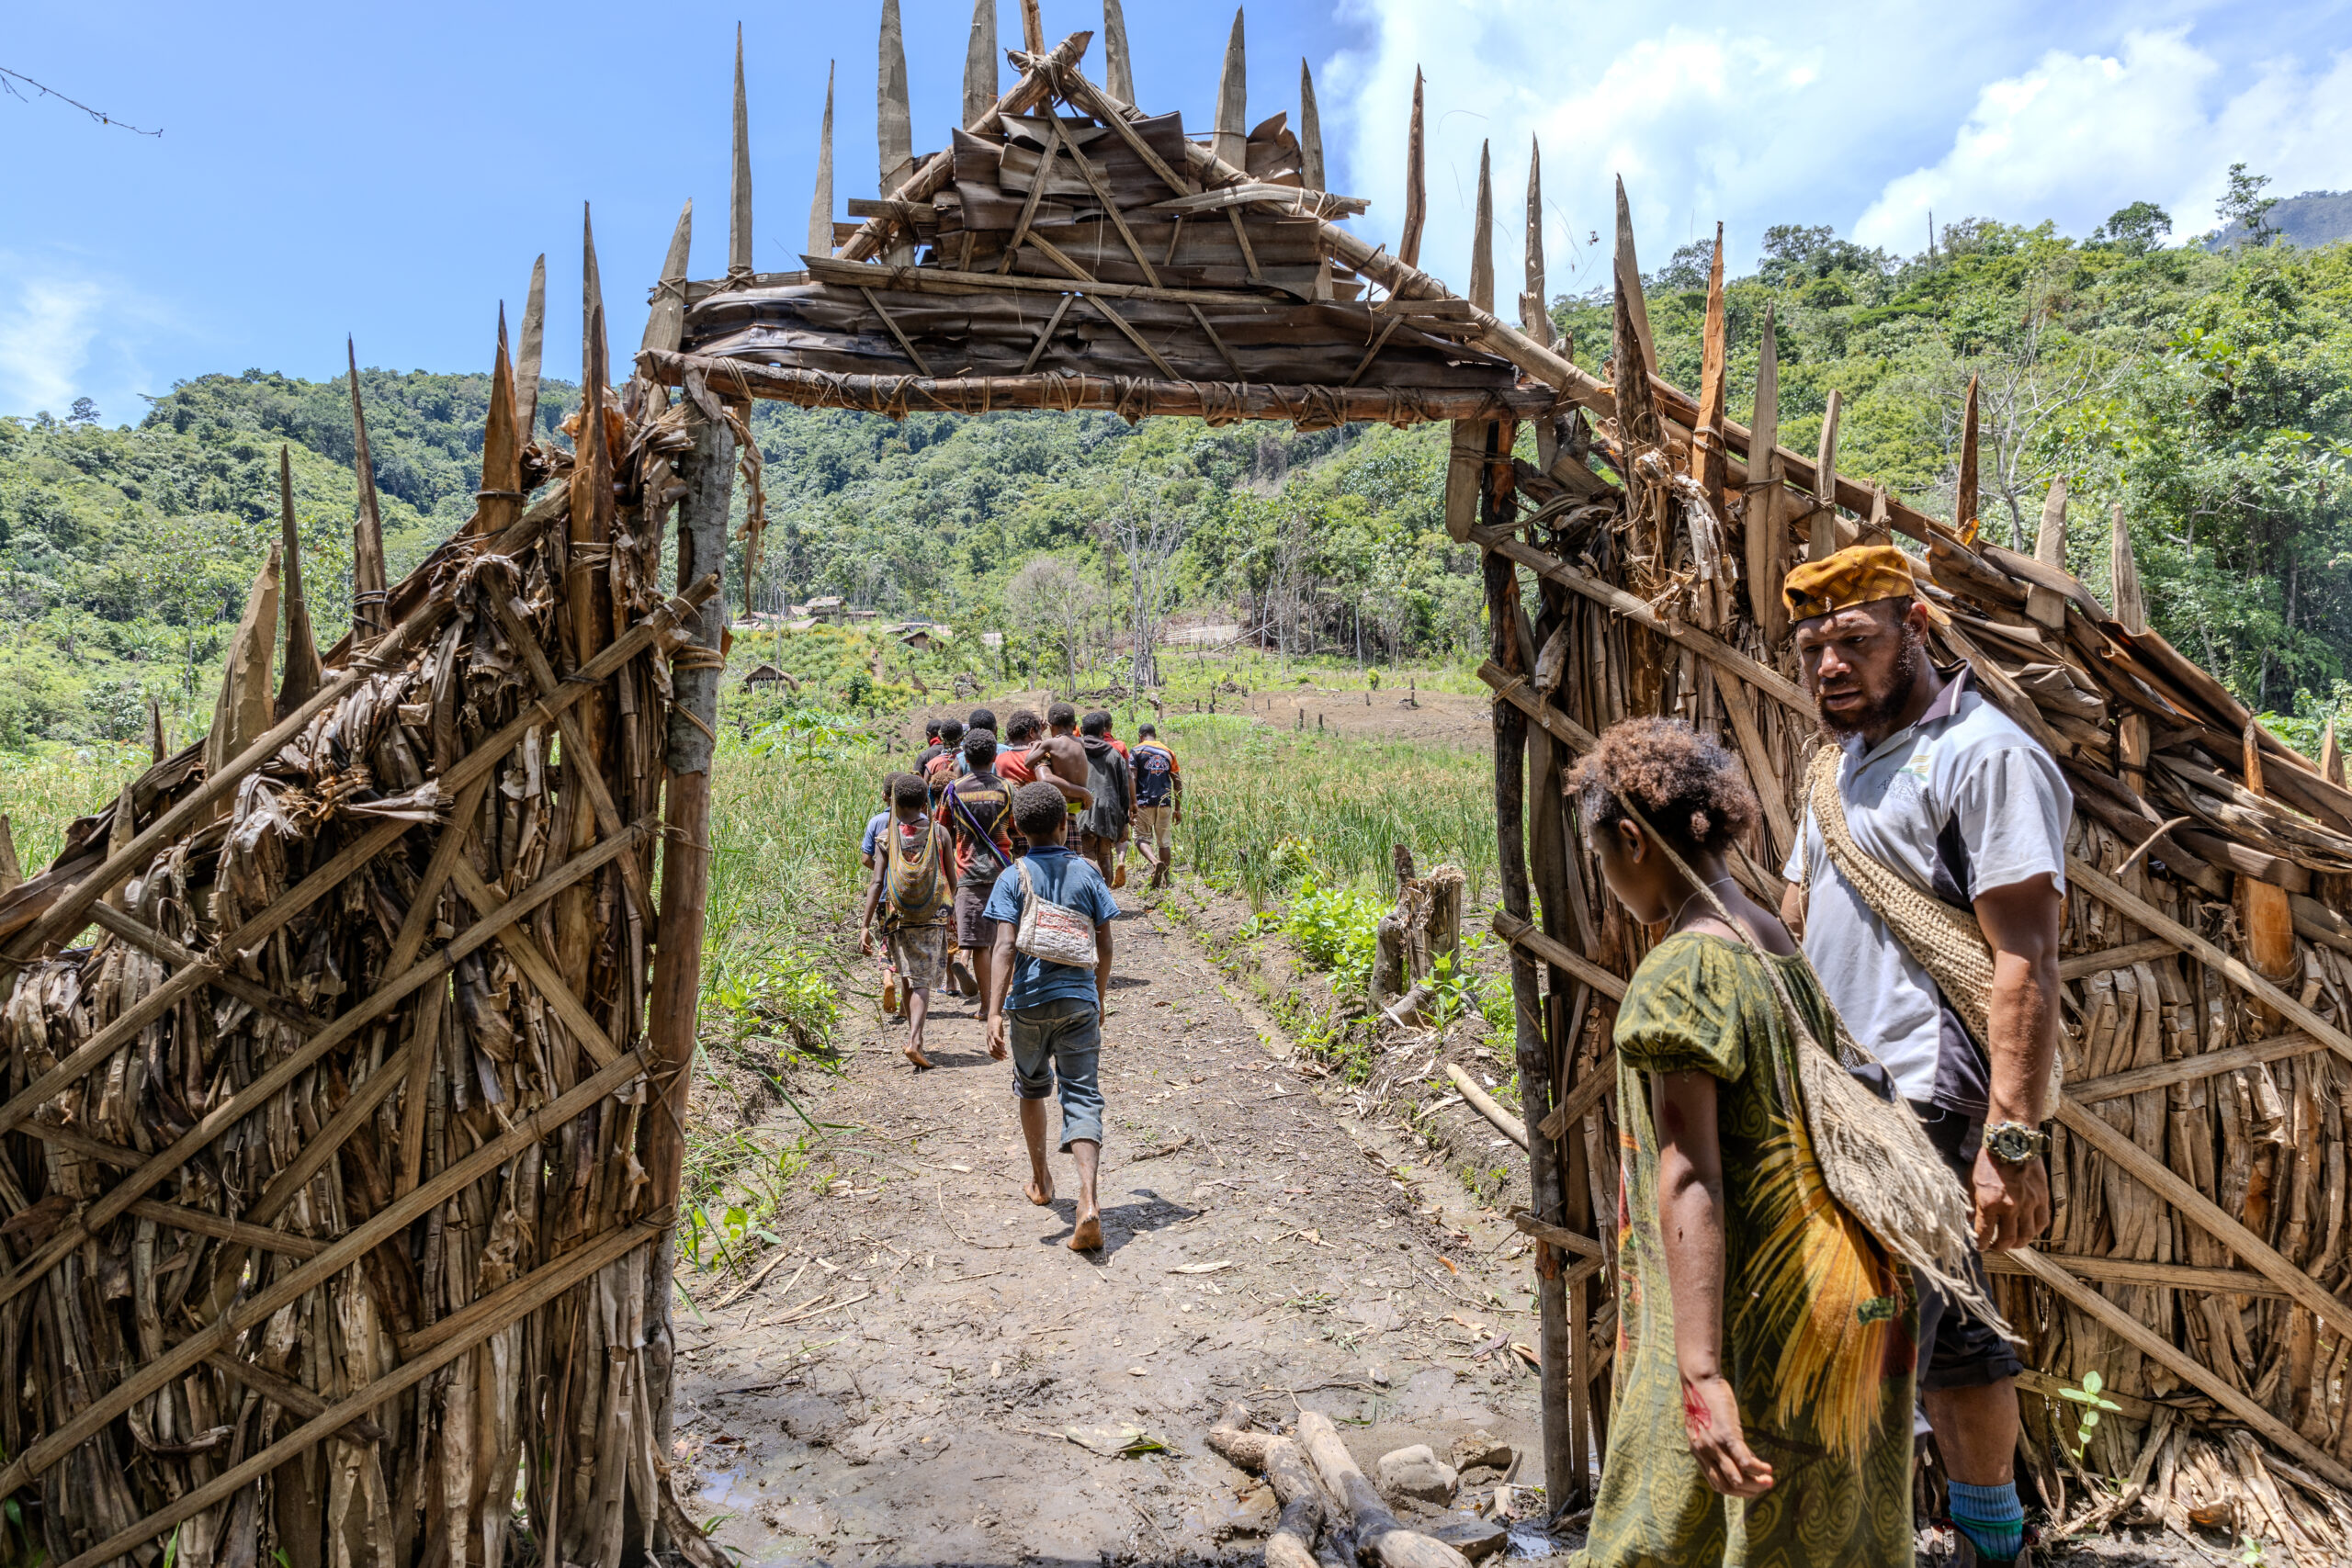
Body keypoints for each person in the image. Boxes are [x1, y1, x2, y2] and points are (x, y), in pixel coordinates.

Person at [1566, 717, 1917, 1568]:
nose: (1605, 880)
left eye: (1601, 860)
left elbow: (1691, 1173)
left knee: (1658, 1534)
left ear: (1629, 840)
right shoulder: (1774, 942)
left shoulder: (1685, 970)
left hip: (1759, 1320)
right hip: (1845, 1300)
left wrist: (1699, 1371)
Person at [1777, 545, 2065, 1568]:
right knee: (1929, 1329)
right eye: (1814, 648)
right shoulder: (1835, 767)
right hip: (1840, 1095)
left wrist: (2012, 1141)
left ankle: (1942, 1544)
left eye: (1854, 642)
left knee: (1906, 1338)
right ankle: (1950, 1539)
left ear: (1919, 633)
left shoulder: (1981, 757)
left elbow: (2023, 956)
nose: (1829, 668)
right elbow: (1797, 921)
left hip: (1925, 1097)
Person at [982, 781, 1119, 1251]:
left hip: (1029, 1004)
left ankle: (1041, 1180)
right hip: (1079, 1000)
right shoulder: (1086, 873)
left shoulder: (1010, 877)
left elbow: (1002, 946)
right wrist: (1097, 997)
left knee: (1032, 1087)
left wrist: (993, 1012)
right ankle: (1088, 1200)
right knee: (1082, 1095)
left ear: (1016, 828)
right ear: (1067, 824)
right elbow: (1104, 944)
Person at [858, 773, 954, 1069]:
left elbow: (877, 883)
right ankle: (915, 1040)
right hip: (932, 913)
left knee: (909, 975)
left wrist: (864, 924)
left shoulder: (886, 837)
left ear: (894, 803)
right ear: (925, 801)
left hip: (897, 913)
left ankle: (917, 1040)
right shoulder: (940, 834)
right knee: (923, 978)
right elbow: (953, 880)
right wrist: (956, 919)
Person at [943, 728, 1015, 1001]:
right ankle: (1003, 1000)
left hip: (967, 873)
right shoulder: (1007, 788)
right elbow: (1017, 828)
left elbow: (943, 832)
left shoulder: (953, 790)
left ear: (965, 759)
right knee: (1002, 941)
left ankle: (986, 1005)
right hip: (1003, 872)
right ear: (994, 756)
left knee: (979, 945)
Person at [1076, 709, 1133, 884]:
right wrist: (1125, 821)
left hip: (1083, 808)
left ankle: (1091, 898)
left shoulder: (1076, 752)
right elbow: (1124, 791)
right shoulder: (1114, 755)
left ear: (1083, 731)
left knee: (1087, 856)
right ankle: (1105, 897)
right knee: (1105, 856)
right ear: (1103, 732)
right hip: (1109, 812)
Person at [1129, 723, 1182, 888]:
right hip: (1165, 802)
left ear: (1140, 735)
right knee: (1164, 843)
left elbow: (1132, 778)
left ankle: (1154, 861)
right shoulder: (1168, 752)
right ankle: (1166, 880)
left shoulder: (1136, 751)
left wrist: (1131, 803)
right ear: (1155, 735)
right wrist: (1177, 809)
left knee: (1140, 838)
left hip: (1143, 802)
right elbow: (1178, 782)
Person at [861, 773, 903, 873]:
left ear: (884, 795)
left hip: (887, 885)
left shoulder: (876, 822)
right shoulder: (920, 819)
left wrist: (885, 873)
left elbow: (866, 860)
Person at [923, 718, 967, 802]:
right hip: (964, 812)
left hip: (939, 813)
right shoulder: (969, 761)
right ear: (961, 738)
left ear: (940, 738)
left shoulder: (932, 765)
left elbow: (926, 799)